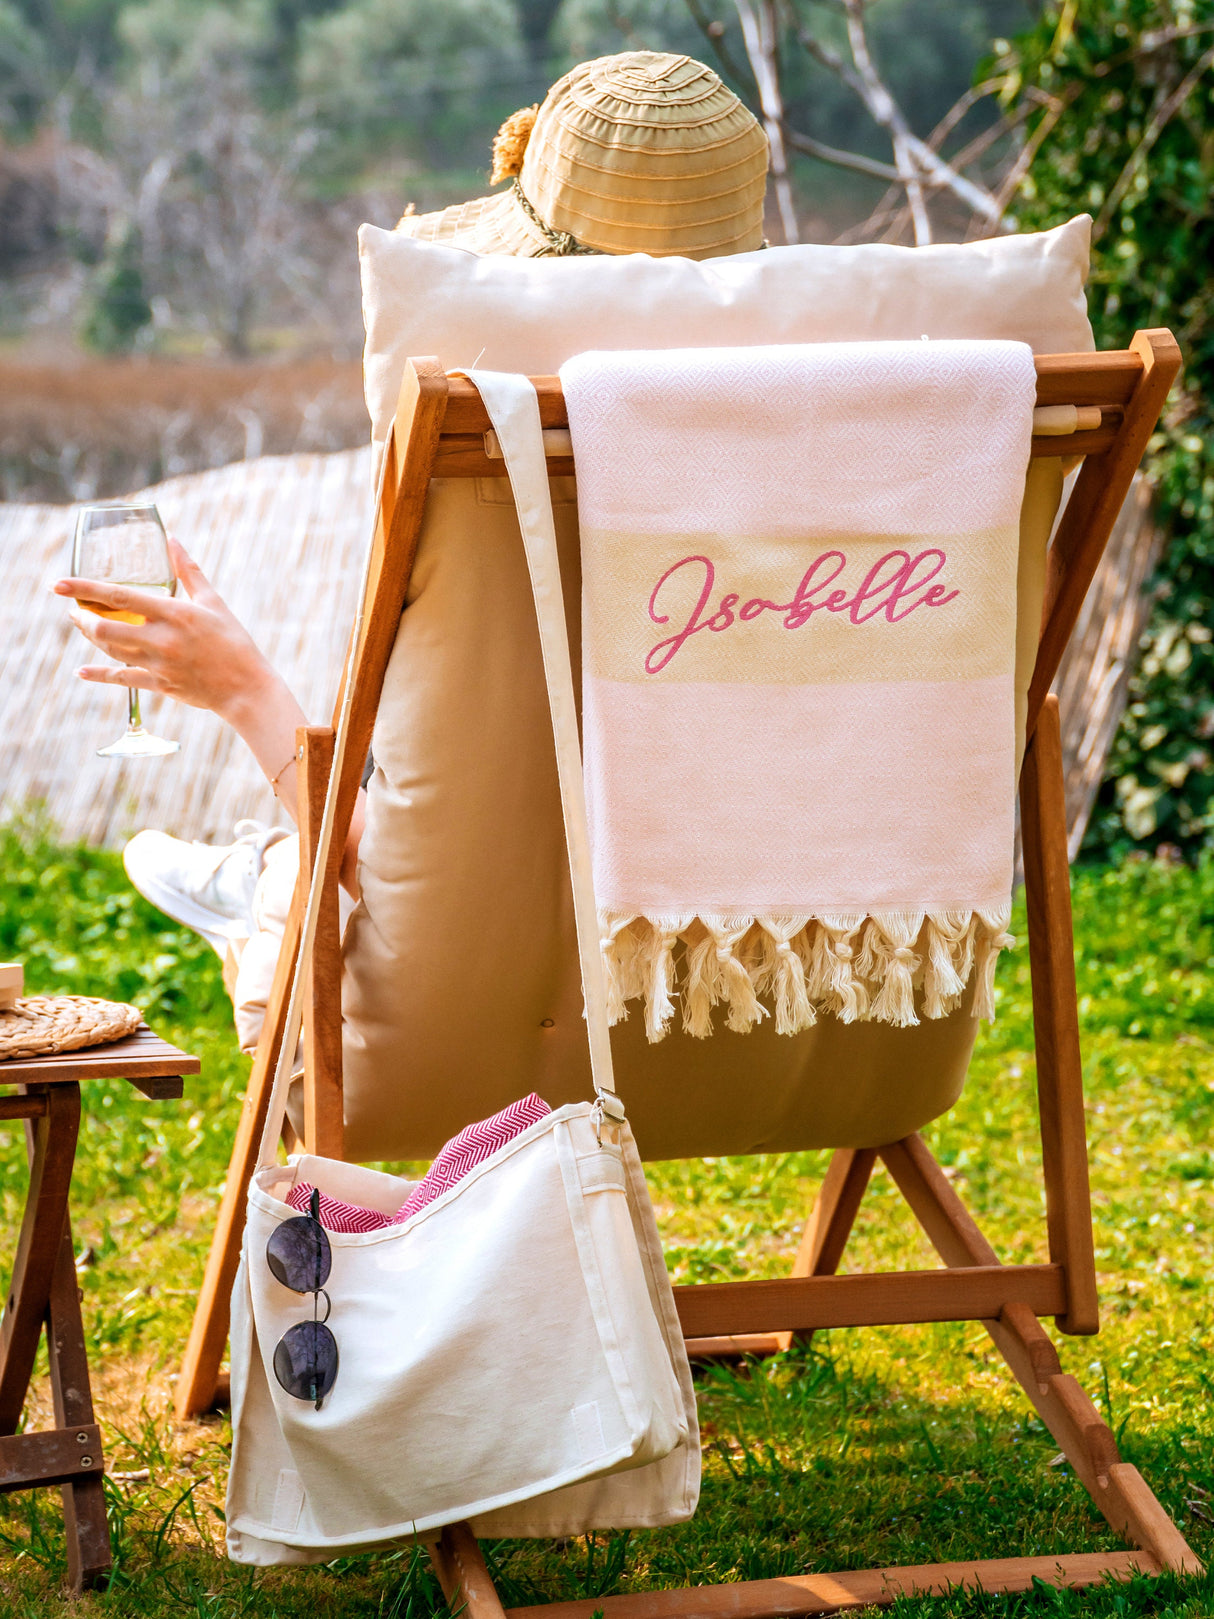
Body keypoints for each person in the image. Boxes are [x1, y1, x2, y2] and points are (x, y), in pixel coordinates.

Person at [54, 50, 770, 966]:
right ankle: (267, 873)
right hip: (779, 995)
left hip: (509, 1010)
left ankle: (266, 885)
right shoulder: (844, 461)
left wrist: (238, 683)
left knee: (306, 884)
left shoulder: (486, 468)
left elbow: (409, 885)